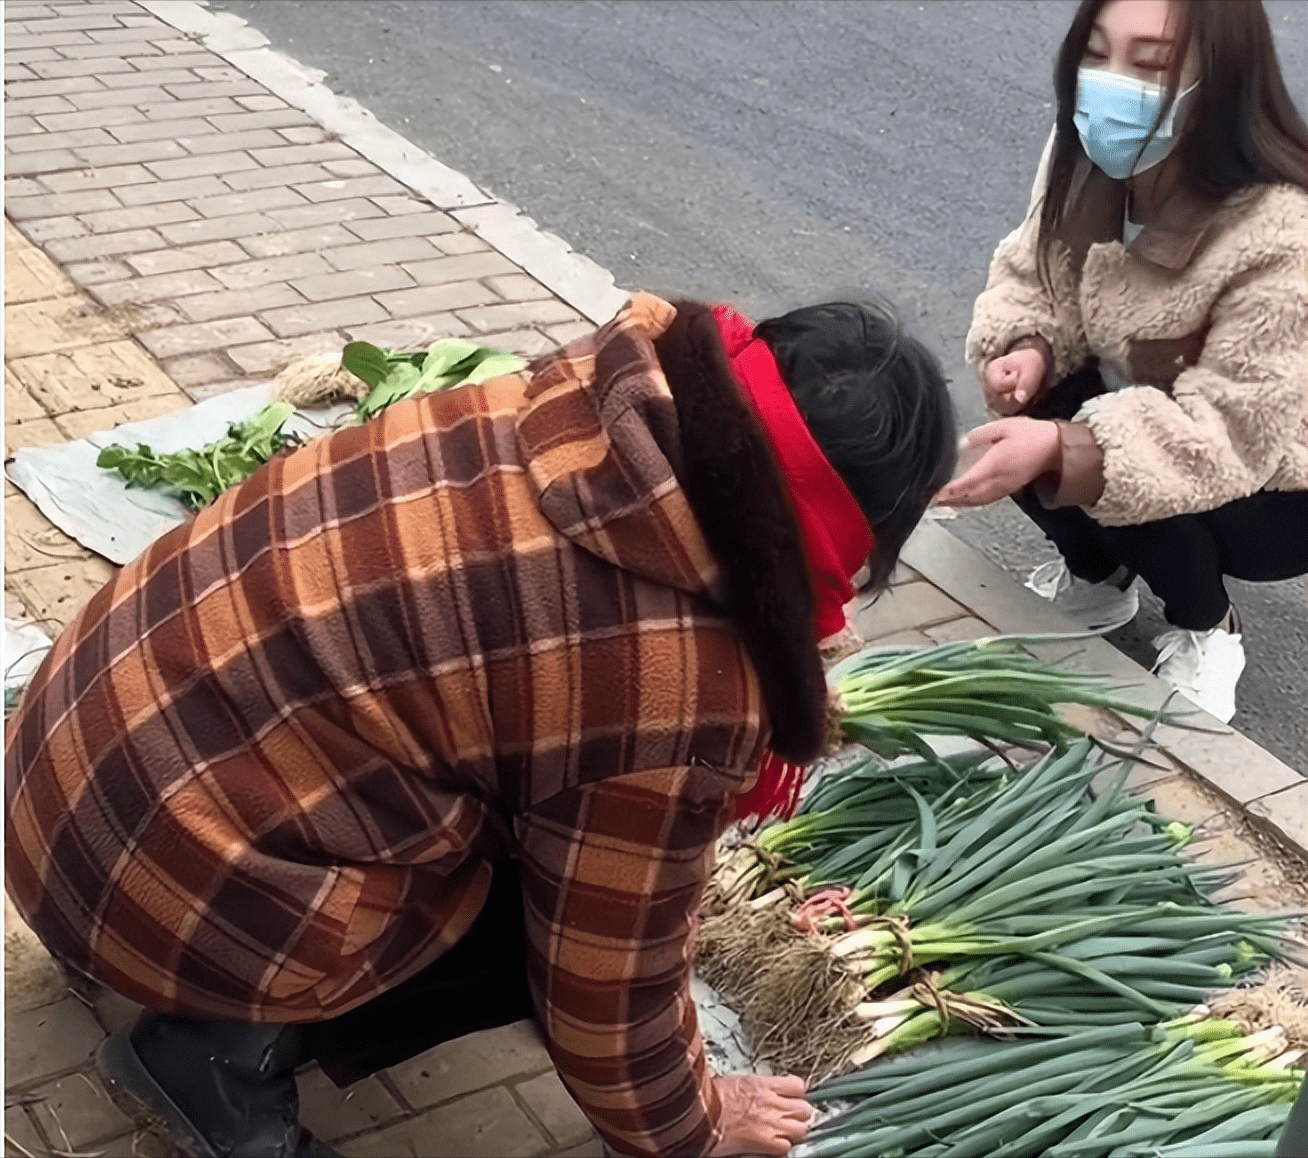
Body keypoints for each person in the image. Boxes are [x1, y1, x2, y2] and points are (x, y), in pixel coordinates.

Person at [5, 292, 955, 1158]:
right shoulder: (678, 684)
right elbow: (606, 991)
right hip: (142, 887)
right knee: (554, 911)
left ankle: (189, 965)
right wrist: (699, 1127)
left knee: (521, 787)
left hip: (58, 781)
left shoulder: (567, 407)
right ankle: (212, 1067)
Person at [937, 0, 1308, 723]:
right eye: (1097, 52)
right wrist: (1028, 347)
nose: (1109, 83)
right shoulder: (1089, 148)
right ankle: (1099, 578)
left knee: (1094, 453)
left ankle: (1207, 626)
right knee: (1028, 412)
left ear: (1222, 79)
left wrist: (1064, 443)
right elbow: (1033, 271)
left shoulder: (1281, 228)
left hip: (1275, 482)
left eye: (1149, 65)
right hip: (1143, 395)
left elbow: (1228, 433)